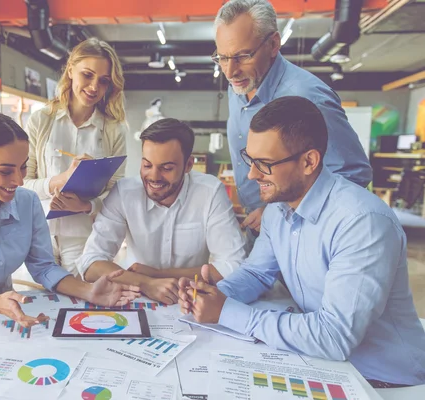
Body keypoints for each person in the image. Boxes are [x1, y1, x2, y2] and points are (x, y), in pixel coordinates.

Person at [178, 96, 425, 387]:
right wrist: (212, 294)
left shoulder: (362, 222)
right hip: (321, 363)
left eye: (264, 163)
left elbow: (334, 337)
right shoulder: (277, 211)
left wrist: (227, 311)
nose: (252, 174)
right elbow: (257, 273)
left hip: (383, 379)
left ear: (309, 161)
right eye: (250, 158)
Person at [0, 111, 139, 327]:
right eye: (5, 171)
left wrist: (89, 291)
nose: (19, 180)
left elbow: (43, 267)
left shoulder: (27, 201)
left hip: (8, 317)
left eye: (22, 168)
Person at [213, 0, 372, 234]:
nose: (229, 71)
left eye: (242, 56)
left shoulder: (308, 97)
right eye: (222, 57)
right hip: (256, 224)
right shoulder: (239, 84)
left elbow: (353, 174)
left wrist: (277, 210)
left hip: (299, 228)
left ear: (274, 43)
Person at [77, 118, 247, 305]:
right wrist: (146, 283)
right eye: (147, 165)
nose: (154, 177)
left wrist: (158, 275)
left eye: (166, 168)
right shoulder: (124, 193)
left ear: (188, 165)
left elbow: (234, 266)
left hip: (192, 301)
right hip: (135, 297)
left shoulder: (210, 192)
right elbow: (90, 263)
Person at [23, 37, 127, 277]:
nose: (93, 87)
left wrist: (87, 205)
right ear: (70, 70)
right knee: (38, 303)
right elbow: (21, 185)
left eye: (103, 81)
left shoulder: (114, 129)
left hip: (85, 235)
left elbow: (118, 194)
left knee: (81, 301)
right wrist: (60, 179)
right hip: (39, 233)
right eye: (87, 75)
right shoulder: (41, 120)